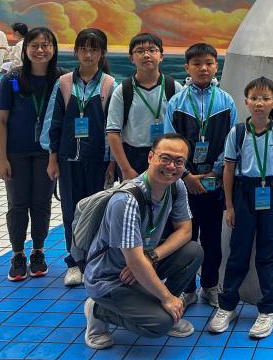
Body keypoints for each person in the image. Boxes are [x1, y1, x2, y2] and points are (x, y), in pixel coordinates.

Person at [82, 134, 205, 349]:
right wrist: (166, 297)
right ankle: (97, 310)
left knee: (193, 252)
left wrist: (151, 256)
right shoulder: (126, 200)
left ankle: (167, 308)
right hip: (109, 277)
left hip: (140, 263)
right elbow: (134, 261)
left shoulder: (176, 187)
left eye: (179, 161)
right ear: (150, 157)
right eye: (165, 158)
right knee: (159, 325)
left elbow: (185, 231)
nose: (171, 167)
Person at [207, 76, 273, 339]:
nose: (259, 103)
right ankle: (227, 306)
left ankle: (269, 310)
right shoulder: (237, 133)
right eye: (254, 98)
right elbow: (229, 169)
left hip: (271, 192)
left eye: (265, 98)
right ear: (246, 102)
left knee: (269, 253)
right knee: (238, 251)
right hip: (243, 192)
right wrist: (229, 205)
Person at [41, 28, 117, 287]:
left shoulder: (110, 84)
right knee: (70, 212)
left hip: (98, 160)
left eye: (94, 49)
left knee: (97, 212)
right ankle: (74, 263)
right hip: (68, 160)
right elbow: (54, 124)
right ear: (75, 52)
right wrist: (52, 158)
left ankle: (94, 261)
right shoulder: (63, 83)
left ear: (102, 53)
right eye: (83, 48)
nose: (88, 54)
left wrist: (112, 162)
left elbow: (113, 127)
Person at [164, 43, 236, 307]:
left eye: (209, 63)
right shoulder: (176, 102)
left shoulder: (226, 101)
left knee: (212, 237)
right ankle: (187, 288)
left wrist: (215, 171)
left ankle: (210, 285)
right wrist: (186, 175)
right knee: (185, 236)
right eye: (197, 64)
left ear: (216, 66)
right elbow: (169, 142)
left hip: (214, 182)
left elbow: (230, 142)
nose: (203, 68)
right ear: (187, 67)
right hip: (184, 183)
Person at [0, 27, 63, 281]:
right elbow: (1, 121)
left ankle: (38, 251)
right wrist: (2, 159)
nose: (40, 50)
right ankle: (17, 254)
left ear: (54, 49)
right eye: (34, 45)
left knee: (41, 203)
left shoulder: (61, 79)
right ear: (26, 49)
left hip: (47, 154)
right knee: (17, 204)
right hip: (16, 153)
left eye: (46, 45)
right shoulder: (12, 79)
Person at [107, 33, 182, 180]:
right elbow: (113, 132)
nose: (146, 55)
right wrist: (125, 169)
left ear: (161, 56)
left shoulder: (174, 87)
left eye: (152, 50)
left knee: (164, 194)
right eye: (140, 51)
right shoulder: (123, 90)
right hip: (132, 157)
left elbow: (182, 129)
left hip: (167, 155)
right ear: (132, 58)